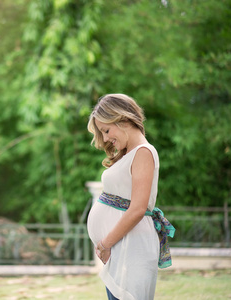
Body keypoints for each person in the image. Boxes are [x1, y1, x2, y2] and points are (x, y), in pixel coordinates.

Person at [86, 94, 174, 300]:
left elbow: (137, 209)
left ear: (123, 119)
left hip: (132, 248)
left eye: (106, 130)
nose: (106, 138)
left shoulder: (143, 152)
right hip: (122, 248)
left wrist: (106, 243)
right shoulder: (130, 154)